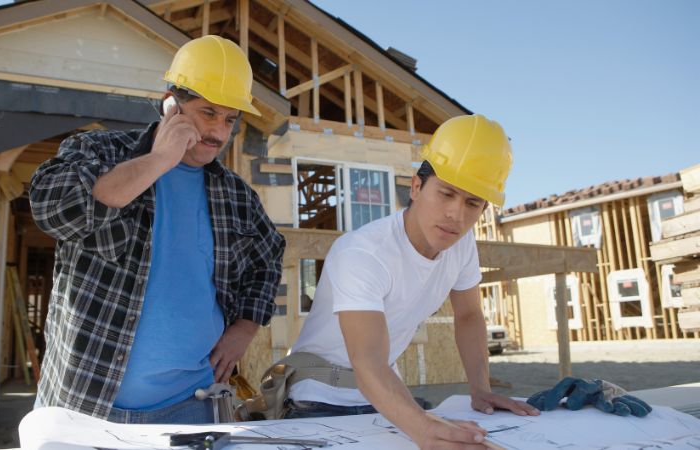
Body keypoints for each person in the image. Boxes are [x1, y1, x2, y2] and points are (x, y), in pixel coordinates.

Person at [29, 35, 285, 424]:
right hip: (86, 402)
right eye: (207, 112)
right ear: (171, 104)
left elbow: (269, 256)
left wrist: (246, 327)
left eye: (230, 119)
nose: (218, 132)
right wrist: (161, 158)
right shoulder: (100, 152)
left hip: (193, 405)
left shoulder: (236, 196)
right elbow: (52, 208)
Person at [284, 114, 539, 448]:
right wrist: (424, 431)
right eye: (446, 194)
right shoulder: (363, 252)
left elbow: (469, 316)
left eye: (473, 203)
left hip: (386, 394)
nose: (456, 215)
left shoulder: (461, 245)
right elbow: (368, 360)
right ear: (416, 187)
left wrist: (480, 389)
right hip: (318, 399)